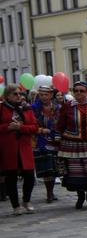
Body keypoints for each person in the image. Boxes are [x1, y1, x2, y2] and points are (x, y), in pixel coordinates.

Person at [56, 81, 87, 209]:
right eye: (76, 90)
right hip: (73, 145)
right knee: (76, 172)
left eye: (81, 91)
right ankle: (80, 196)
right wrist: (59, 139)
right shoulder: (67, 106)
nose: (78, 93)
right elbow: (60, 124)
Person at [0, 84, 39, 215]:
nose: (18, 96)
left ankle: (26, 200)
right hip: (9, 147)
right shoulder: (2, 108)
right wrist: (8, 127)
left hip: (24, 147)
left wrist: (21, 128)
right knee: (11, 177)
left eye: (20, 93)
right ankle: (15, 205)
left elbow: (34, 127)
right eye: (15, 94)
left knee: (29, 176)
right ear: (7, 96)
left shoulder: (27, 109)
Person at [32, 86, 61, 203]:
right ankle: (49, 193)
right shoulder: (34, 108)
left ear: (51, 95)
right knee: (46, 167)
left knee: (53, 167)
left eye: (46, 94)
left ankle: (51, 191)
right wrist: (40, 130)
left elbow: (60, 122)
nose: (44, 97)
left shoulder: (57, 108)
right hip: (40, 140)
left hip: (54, 139)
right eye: (41, 94)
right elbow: (31, 123)